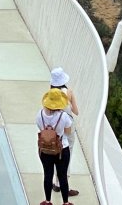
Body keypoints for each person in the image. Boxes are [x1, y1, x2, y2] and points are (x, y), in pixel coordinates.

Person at [37, 68, 79, 203]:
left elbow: (40, 127)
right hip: (61, 149)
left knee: (47, 174)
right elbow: (67, 131)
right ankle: (65, 201)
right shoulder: (64, 117)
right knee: (62, 175)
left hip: (45, 149)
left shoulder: (40, 114)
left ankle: (48, 201)